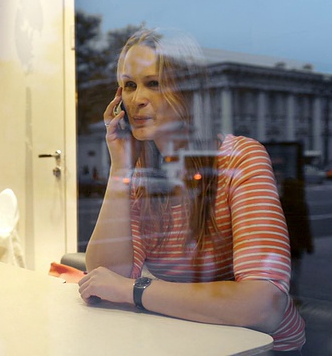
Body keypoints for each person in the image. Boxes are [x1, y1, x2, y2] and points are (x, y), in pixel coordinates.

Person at [78, 28, 306, 352]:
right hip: (187, 339)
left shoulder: (240, 158)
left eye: (153, 83)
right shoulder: (142, 176)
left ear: (188, 91)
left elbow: (263, 306)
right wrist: (119, 168)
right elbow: (104, 276)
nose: (136, 99)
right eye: (129, 85)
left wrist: (136, 290)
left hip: (262, 349)